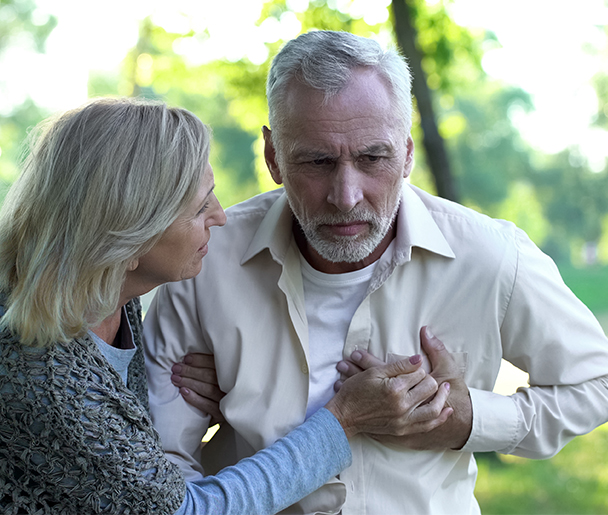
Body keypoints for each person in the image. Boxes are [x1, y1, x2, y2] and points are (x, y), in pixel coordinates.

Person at [0, 97, 454, 515]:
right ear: (129, 231)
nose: (221, 217)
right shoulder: (18, 357)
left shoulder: (106, 297)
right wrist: (344, 421)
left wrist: (223, 392)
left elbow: (111, 459)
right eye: (199, 206)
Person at [143, 30, 608, 515]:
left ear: (407, 153)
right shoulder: (205, 261)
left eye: (372, 158)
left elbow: (598, 383)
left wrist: (470, 421)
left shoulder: (490, 257)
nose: (346, 196)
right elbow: (164, 468)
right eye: (318, 161)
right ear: (274, 157)